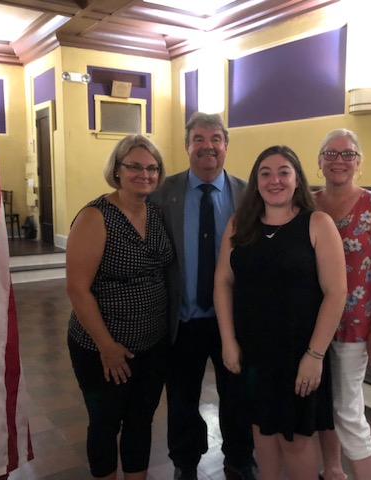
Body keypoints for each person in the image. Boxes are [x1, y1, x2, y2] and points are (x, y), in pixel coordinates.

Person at [214, 145, 348, 480]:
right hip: (253, 352)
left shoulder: (317, 223)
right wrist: (228, 341)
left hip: (298, 352)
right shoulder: (239, 224)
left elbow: (336, 293)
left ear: (297, 179)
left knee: (295, 439)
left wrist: (314, 355)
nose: (275, 180)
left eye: (283, 172)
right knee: (261, 433)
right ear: (255, 181)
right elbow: (223, 283)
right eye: (265, 173)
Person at [150, 112, 256, 480]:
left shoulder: (248, 195)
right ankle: (185, 462)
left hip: (234, 321)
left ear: (226, 146)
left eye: (215, 139)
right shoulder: (164, 194)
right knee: (181, 398)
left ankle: (240, 459)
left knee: (238, 395)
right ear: (186, 146)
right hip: (183, 319)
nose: (207, 146)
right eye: (198, 139)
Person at [66, 135, 174, 480]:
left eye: (152, 168)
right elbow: (77, 288)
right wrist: (106, 346)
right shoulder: (95, 216)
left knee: (141, 421)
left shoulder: (156, 212)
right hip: (102, 347)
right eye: (135, 166)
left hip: (152, 344)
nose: (145, 174)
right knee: (105, 423)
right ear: (117, 169)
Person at [314, 129, 371, 480]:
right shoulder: (310, 203)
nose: (339, 161)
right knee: (322, 402)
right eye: (331, 154)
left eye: (348, 154)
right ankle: (333, 470)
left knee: (347, 408)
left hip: (354, 326)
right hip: (314, 322)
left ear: (359, 163)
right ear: (319, 162)